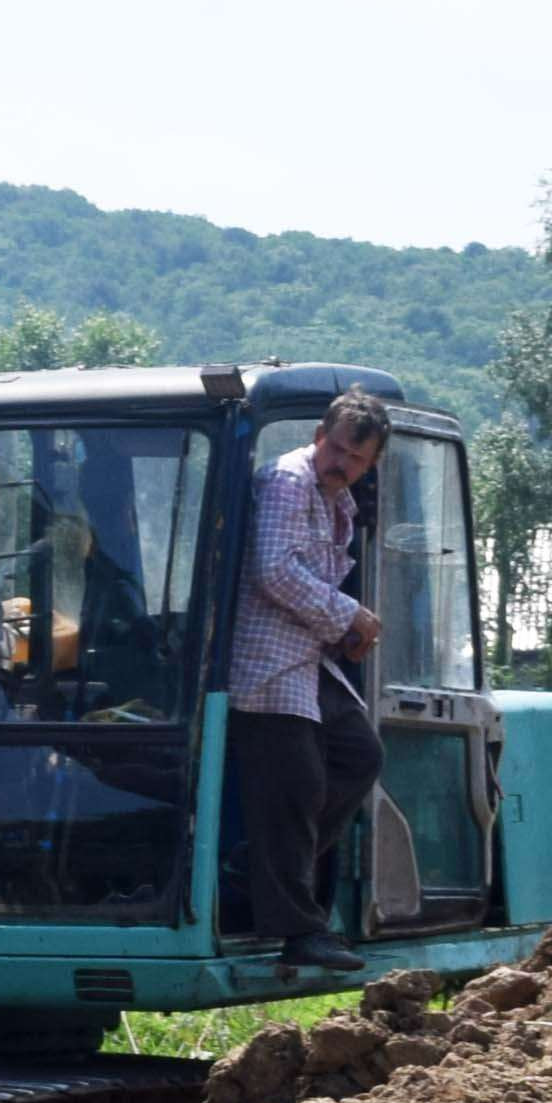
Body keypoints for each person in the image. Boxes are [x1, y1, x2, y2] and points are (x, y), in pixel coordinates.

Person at [228, 391, 388, 973]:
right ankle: (297, 928)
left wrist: (345, 625)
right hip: (265, 661)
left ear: (369, 466)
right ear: (320, 437)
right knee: (295, 784)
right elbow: (273, 570)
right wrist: (349, 615)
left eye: (355, 458)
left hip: (305, 658)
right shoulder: (289, 483)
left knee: (358, 755)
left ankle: (261, 870)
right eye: (337, 448)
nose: (340, 463)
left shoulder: (335, 501)